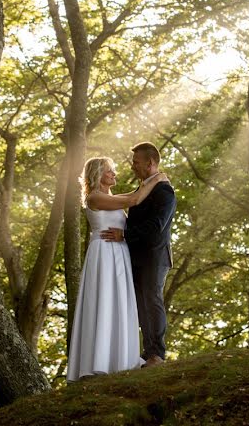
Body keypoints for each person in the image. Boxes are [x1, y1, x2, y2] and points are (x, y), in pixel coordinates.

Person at [66, 156, 168, 382]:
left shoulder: (110, 197)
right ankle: (98, 361)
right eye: (110, 171)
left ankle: (118, 358)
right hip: (104, 254)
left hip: (119, 254)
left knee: (119, 303)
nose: (114, 175)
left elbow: (135, 200)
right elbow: (134, 199)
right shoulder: (94, 197)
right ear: (97, 175)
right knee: (104, 302)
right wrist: (157, 178)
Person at [101, 142, 176, 367]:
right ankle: (146, 353)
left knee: (152, 300)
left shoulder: (164, 191)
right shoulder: (141, 189)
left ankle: (157, 354)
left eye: (136, 162)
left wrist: (124, 234)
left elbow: (157, 225)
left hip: (155, 256)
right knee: (141, 305)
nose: (133, 166)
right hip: (135, 257)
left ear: (150, 163)